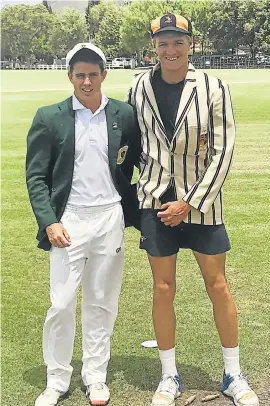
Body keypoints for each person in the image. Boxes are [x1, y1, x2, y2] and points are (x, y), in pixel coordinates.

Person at [127, 13, 259, 406]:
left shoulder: (213, 87)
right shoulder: (138, 88)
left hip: (201, 204)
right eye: (163, 42)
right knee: (163, 288)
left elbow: (224, 150)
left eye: (178, 41)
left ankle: (233, 373)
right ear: (154, 46)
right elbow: (133, 145)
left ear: (191, 44)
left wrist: (191, 201)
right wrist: (146, 187)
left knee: (217, 285)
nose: (171, 49)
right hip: (156, 204)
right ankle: (169, 376)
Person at [26, 43, 140, 406]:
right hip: (69, 221)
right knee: (61, 303)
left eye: (93, 74)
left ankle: (95, 377)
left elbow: (138, 162)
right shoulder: (50, 117)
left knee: (102, 301)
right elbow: (36, 177)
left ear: (104, 75)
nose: (87, 81)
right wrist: (49, 221)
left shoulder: (124, 114)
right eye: (80, 75)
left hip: (110, 217)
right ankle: (56, 379)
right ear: (70, 77)